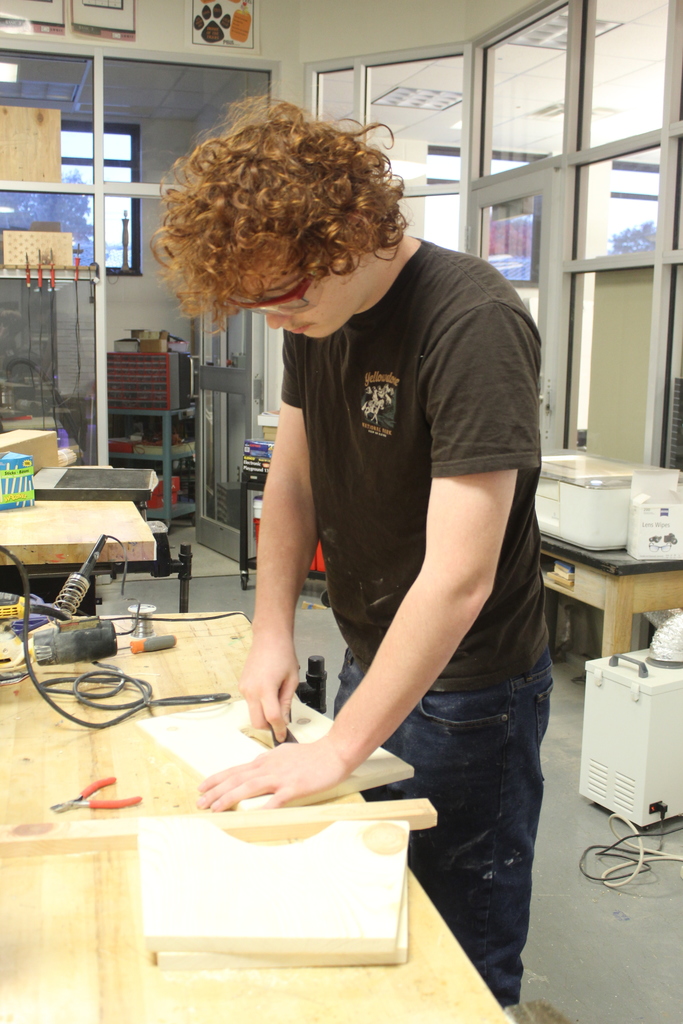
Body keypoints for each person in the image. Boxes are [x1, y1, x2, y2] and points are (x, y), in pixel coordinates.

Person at [154, 99, 552, 1007]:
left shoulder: (472, 322)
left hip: (471, 686)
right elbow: (289, 486)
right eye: (256, 304)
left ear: (356, 231)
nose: (276, 322)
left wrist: (335, 749)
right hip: (376, 647)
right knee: (375, 899)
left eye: (286, 297)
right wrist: (269, 633)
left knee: (458, 938)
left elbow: (458, 580)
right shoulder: (317, 321)